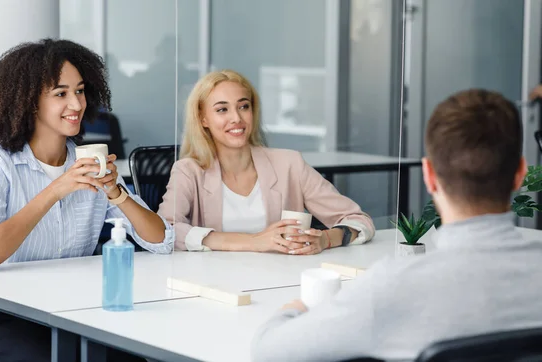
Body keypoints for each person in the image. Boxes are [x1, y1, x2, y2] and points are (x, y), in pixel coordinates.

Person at [251, 89, 542, 361]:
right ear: (520, 173)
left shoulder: (392, 288)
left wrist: (296, 308)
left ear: (428, 175)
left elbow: (268, 351)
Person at [0, 39, 173, 362]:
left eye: (80, 91)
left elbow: (162, 241)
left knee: (129, 357)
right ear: (29, 102)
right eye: (61, 94)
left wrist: (116, 192)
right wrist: (57, 188)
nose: (76, 104)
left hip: (71, 309)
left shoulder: (87, 161)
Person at [158, 69, 374, 253]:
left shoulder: (289, 164)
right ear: (203, 119)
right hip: (215, 284)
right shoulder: (188, 170)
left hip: (279, 280)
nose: (237, 118)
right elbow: (164, 231)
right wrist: (252, 242)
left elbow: (358, 220)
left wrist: (326, 240)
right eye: (222, 109)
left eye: (243, 106)